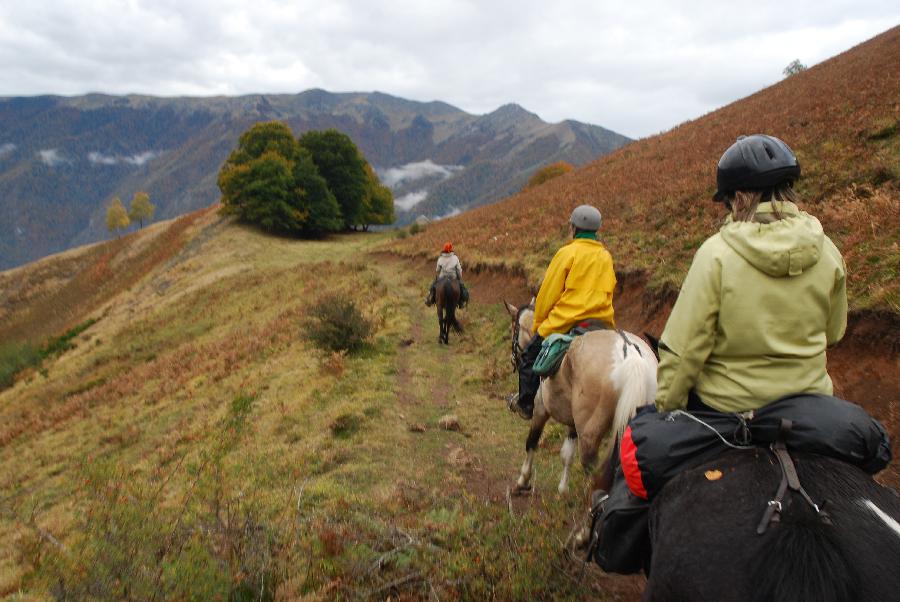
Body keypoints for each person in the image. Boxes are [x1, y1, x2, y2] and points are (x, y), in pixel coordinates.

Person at [656, 134, 847, 413]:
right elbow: (834, 331)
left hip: (729, 409)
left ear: (740, 198)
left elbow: (684, 350)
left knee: (639, 445)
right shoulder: (828, 250)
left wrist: (666, 407)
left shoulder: (716, 254)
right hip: (812, 406)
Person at [510, 204, 617, 420]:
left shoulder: (567, 253)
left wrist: (539, 323)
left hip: (567, 322)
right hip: (602, 322)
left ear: (574, 228)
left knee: (528, 358)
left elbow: (548, 293)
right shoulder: (605, 256)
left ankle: (525, 404)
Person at [425, 242, 469, 308]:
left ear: (444, 249)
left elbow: (437, 270)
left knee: (433, 285)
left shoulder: (440, 258)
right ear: (451, 249)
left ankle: (430, 300)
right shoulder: (455, 258)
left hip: (442, 277)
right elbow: (459, 269)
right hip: (453, 277)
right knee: (462, 287)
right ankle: (461, 302)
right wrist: (459, 277)